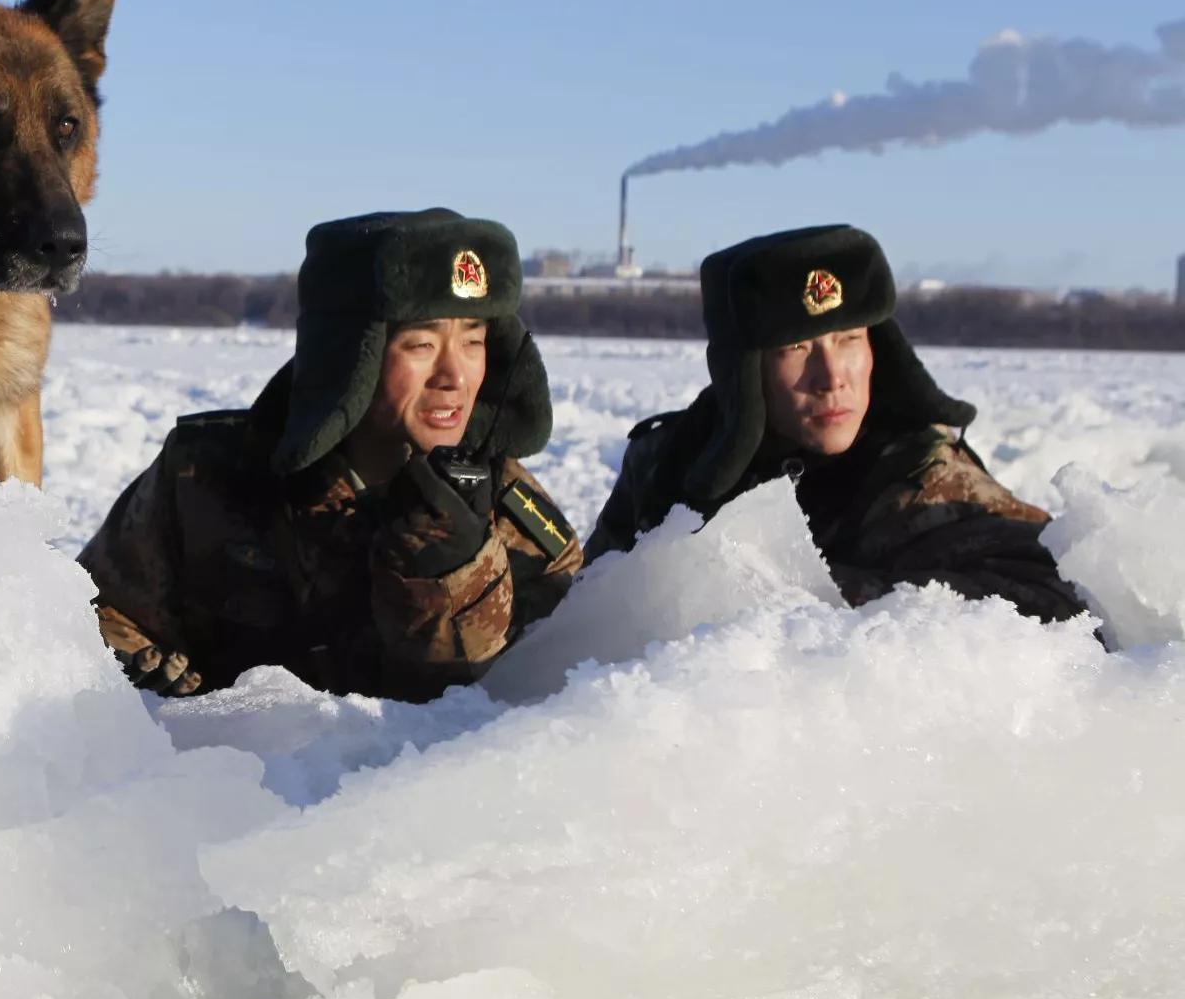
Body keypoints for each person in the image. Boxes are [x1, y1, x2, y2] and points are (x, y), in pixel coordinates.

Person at [80, 210, 584, 702]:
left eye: (473, 341)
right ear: (349, 357)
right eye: (421, 344)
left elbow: (539, 710)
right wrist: (148, 692)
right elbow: (90, 617)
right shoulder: (204, 474)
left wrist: (460, 579)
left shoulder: (514, 521)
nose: (454, 375)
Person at [585, 223, 1085, 623]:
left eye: (848, 339)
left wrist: (805, 597)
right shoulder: (666, 462)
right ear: (742, 372)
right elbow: (580, 614)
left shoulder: (921, 479)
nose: (831, 379)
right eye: (797, 348)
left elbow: (1064, 596)